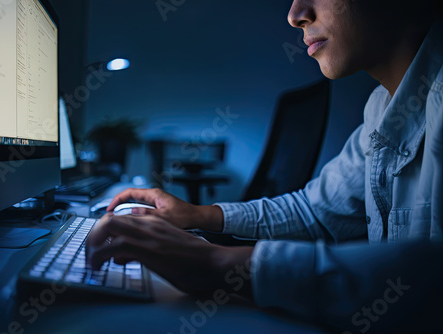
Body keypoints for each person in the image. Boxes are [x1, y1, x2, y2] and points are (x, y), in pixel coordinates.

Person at [86, 0, 443, 332]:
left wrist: (216, 263)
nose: (295, 13)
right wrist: (198, 215)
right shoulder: (380, 110)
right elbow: (315, 213)